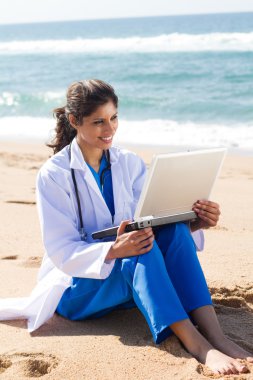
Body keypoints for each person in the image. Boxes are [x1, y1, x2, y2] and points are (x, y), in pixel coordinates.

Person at [0, 80, 252, 376]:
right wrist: (113, 250)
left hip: (124, 286)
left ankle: (217, 335)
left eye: (113, 118)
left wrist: (194, 221)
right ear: (74, 121)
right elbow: (61, 251)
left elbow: (152, 220)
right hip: (76, 291)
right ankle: (198, 344)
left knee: (173, 231)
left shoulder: (129, 163)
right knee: (138, 247)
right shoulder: (53, 175)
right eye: (98, 122)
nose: (109, 130)